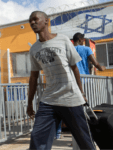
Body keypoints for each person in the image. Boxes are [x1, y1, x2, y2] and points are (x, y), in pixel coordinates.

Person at [27, 11, 96, 150]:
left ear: (46, 21)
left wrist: (81, 92)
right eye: (30, 21)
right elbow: (33, 77)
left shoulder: (63, 40)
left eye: (35, 19)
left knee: (85, 141)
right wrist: (29, 103)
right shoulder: (34, 49)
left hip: (71, 97)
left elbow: (75, 68)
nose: (32, 23)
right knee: (37, 139)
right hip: (49, 100)